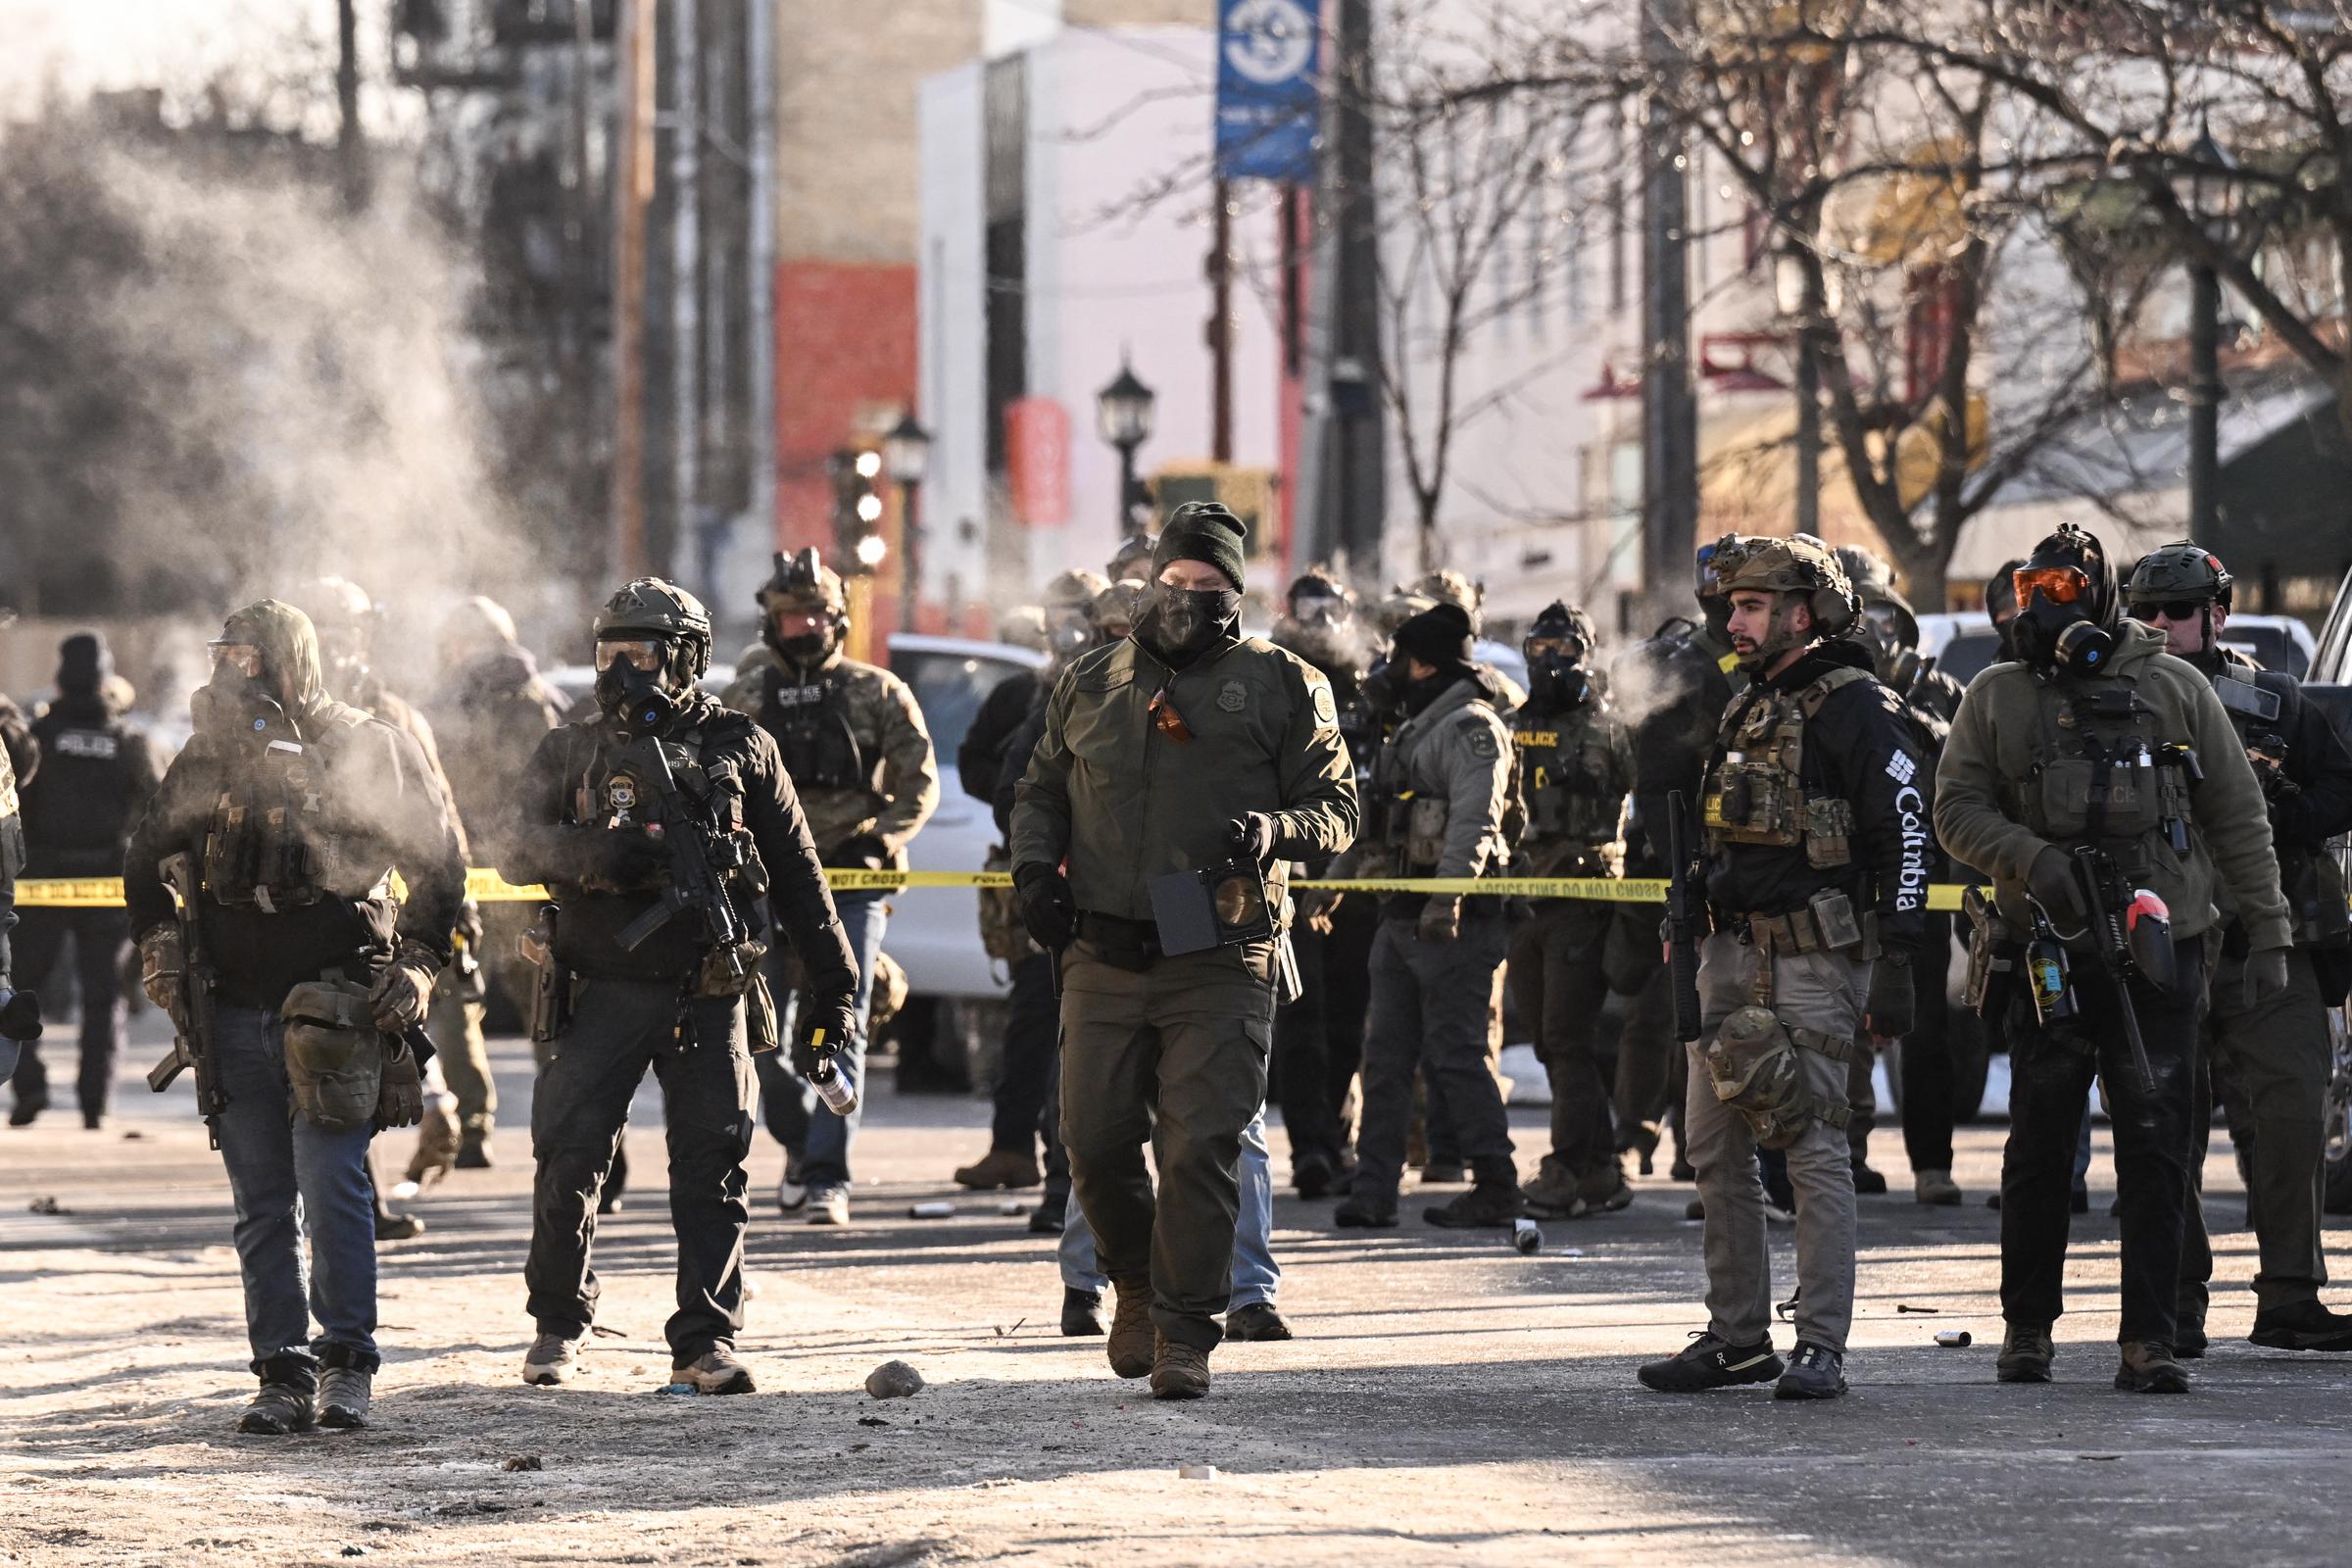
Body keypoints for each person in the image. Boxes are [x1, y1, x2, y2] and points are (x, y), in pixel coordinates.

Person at [1011, 502, 1356, 1398]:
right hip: (1101, 949)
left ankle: (1185, 1330)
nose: (1189, 600)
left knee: (1202, 1144)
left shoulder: (1286, 684)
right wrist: (1034, 876)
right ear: (1150, 581)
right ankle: (1132, 1281)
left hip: (1220, 950)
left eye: (1210, 588)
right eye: (1175, 583)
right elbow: (1042, 788)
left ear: (1237, 593)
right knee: (1092, 1141)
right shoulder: (1092, 679)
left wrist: (1277, 831)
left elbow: (1341, 810)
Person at [1936, 523, 2291, 1394]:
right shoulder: (1997, 695)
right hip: (2044, 953)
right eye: (2033, 590)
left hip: (2159, 949)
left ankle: (2151, 1341)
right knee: (2040, 1146)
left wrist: (2272, 930)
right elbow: (1956, 810)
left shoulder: (2172, 688)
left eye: (2065, 588)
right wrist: (2033, 860)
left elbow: (2238, 819)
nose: (2049, 604)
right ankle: (2028, 1331)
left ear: (2101, 594)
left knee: (2159, 1140)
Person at [504, 579, 861, 1394]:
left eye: (640, 653)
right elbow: (510, 845)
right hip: (599, 987)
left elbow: (803, 881)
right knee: (569, 1158)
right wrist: (592, 857)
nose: (620, 670)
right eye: (608, 653)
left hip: (710, 987)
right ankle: (558, 1323)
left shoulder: (740, 744)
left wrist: (836, 995)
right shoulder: (570, 748)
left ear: (687, 659)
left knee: (714, 1163)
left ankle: (704, 1338)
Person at [127, 600, 465, 1433]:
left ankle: (346, 1364)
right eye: (225, 656)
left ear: (289, 662)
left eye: (248, 658)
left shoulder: (366, 744)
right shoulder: (212, 754)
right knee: (263, 1204)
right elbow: (142, 857)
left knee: (334, 1184)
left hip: (336, 1005)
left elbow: (439, 858)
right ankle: (280, 1372)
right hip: (232, 1007)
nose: (232, 673)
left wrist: (421, 962)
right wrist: (161, 945)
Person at [1637, 538, 1928, 1401]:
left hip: (1811, 960)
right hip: (1726, 953)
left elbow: (1904, 833)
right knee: (1713, 1150)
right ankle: (1737, 1338)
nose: (1734, 621)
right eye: (1733, 606)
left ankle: (1822, 1344)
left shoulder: (1859, 708)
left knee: (1810, 1148)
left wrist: (1899, 960)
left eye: (1753, 606)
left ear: (1807, 612)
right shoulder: (1746, 705)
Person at [2124, 542, 2352, 1354]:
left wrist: (2275, 809)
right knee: (2163, 1127)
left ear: (2215, 615)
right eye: (2143, 611)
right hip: (2161, 946)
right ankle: (2175, 1298)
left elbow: (2340, 790)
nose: (2158, 625)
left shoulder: (2274, 700)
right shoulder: (2111, 699)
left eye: (2176, 611)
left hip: (2263, 944)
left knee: (2294, 1106)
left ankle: (2290, 1294)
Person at [723, 549, 938, 1226]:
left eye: (817, 615)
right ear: (771, 624)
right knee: (761, 1030)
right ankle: (800, 1139)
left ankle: (827, 1176)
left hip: (852, 878)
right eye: (792, 618)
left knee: (839, 1029)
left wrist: (881, 839)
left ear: (838, 620)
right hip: (764, 880)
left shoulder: (878, 691)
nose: (806, 627)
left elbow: (919, 781)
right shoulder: (745, 698)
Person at [290, 578, 479, 1238]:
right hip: (305, 915)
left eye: (346, 631)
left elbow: (440, 819)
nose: (337, 646)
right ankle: (350, 1202)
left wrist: (462, 908)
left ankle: (358, 1201)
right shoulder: (281, 714)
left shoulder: (392, 714)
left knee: (373, 1057)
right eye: (324, 631)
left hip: (387, 921)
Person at [1332, 601, 1521, 1231]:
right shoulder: (1413, 728)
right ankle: (1374, 1188)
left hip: (1452, 924)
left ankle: (1496, 1184)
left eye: (1397, 658)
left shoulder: (1471, 728)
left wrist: (1448, 898)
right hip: (1399, 915)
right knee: (1383, 1058)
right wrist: (1329, 887)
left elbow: (1475, 821)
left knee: (1458, 1055)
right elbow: (1374, 819)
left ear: (1421, 664)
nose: (1386, 669)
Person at [948, 567, 1105, 1199]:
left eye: (1081, 615)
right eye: (1058, 615)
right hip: (1035, 876)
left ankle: (1071, 1170)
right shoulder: (1025, 692)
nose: (1068, 629)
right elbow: (982, 766)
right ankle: (1014, 1147)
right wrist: (1032, 825)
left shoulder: (1117, 689)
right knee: (1031, 1015)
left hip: (1102, 880)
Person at [1617, 537, 1754, 1192]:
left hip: (1776, 871)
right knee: (1690, 1017)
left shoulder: (1787, 663)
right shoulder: (1685, 669)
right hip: (1709, 870)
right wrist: (1684, 876)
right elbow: (1658, 787)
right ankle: (1695, 1151)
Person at [1835, 546, 1970, 1204]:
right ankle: (1846, 1156)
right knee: (1838, 1025)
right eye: (1861, 616)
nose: (1874, 631)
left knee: (1923, 1030)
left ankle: (1932, 1165)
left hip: (1921, 881)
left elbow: (1974, 772)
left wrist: (1923, 727)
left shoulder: (1936, 692)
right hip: (1844, 883)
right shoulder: (1827, 693)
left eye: (1883, 616)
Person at [422, 594, 569, 1167]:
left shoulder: (446, 703)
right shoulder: (544, 698)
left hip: (467, 869)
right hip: (529, 877)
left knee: (455, 1000)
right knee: (547, 1007)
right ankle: (566, 1126)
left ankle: (472, 1128)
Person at [1507, 602, 1639, 1220]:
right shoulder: (1513, 724)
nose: (1551, 661)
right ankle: (1600, 1169)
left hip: (1584, 902)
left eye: (1565, 649)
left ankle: (1566, 1169)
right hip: (1527, 901)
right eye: (1540, 649)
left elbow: (1642, 807)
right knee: (1546, 1040)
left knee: (1566, 1039)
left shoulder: (1610, 729)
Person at [9, 633, 159, 1129]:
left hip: (38, 887)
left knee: (22, 991)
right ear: (104, 678)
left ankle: (28, 1087)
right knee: (104, 999)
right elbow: (154, 813)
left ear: (58, 675)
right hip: (106, 887)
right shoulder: (128, 740)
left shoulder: (38, 736)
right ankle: (95, 1103)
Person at [1269, 567, 1380, 1198]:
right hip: (1290, 873)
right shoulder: (1269, 677)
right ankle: (1311, 1146)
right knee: (1300, 1018)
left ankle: (1339, 1141)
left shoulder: (1367, 688)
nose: (1316, 624)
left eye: (1327, 611)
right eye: (1304, 611)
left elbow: (1373, 788)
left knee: (1348, 1017)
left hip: (1355, 876)